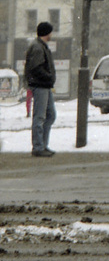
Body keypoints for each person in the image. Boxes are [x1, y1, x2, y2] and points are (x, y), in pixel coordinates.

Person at [24, 21, 57, 158]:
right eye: (50, 32)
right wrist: (48, 77)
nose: (51, 34)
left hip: (44, 85)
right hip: (41, 85)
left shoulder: (40, 46)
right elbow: (36, 68)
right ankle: (38, 146)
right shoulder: (38, 48)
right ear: (46, 33)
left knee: (49, 115)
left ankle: (42, 145)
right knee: (41, 116)